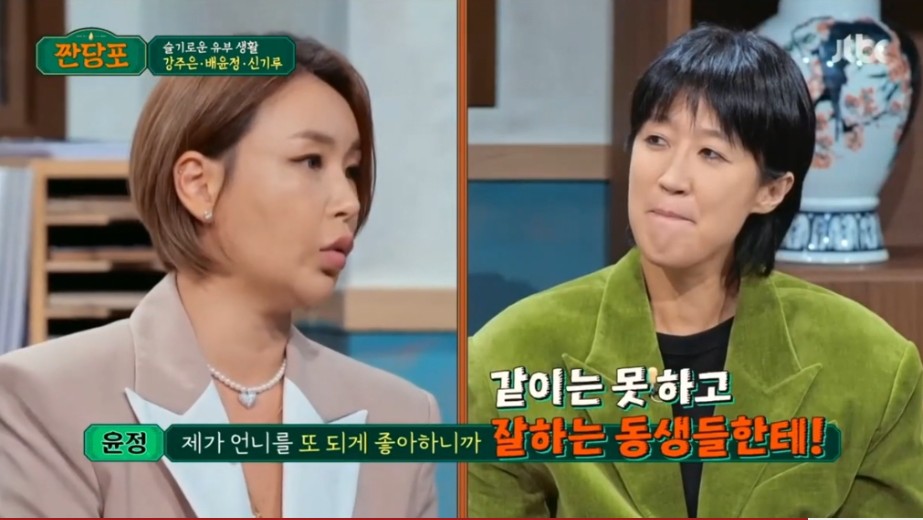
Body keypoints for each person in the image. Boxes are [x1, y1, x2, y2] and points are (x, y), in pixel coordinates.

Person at [467, 24, 923, 518]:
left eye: (711, 152)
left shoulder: (872, 368)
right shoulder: (509, 357)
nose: (671, 178)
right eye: (656, 139)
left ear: (771, 190)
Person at [0, 35, 440, 518]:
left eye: (352, 170)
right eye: (311, 161)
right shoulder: (47, 398)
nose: (349, 202)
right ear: (198, 184)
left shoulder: (401, 417)